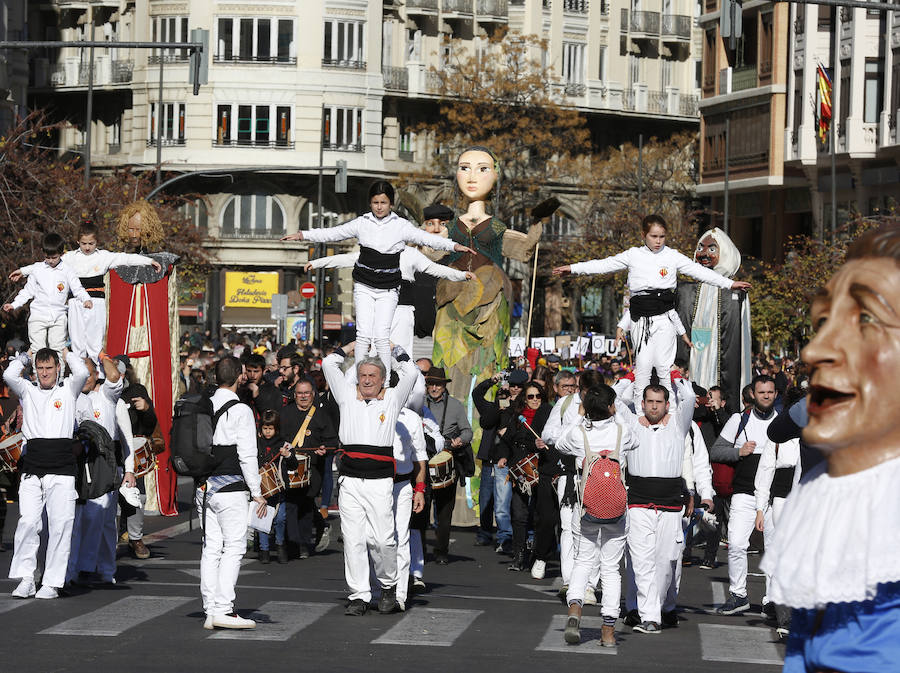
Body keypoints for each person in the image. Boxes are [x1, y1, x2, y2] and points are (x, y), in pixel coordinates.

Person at [762, 223, 900, 671]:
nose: (815, 349)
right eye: (823, 321)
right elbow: (803, 647)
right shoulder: (826, 492)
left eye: (865, 319)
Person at [283, 181, 472, 377]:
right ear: (370, 204)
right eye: (375, 203)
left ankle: (388, 379)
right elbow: (337, 238)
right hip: (367, 287)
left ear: (391, 205)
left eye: (384, 202)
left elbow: (430, 250)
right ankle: (361, 376)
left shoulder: (405, 239)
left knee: (388, 344)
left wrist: (455, 251)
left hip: (396, 299)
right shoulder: (363, 224)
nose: (379, 207)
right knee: (365, 338)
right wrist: (305, 239)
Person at [553, 215, 749, 402]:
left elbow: (699, 272)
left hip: (665, 317)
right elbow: (604, 265)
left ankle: (669, 410)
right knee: (643, 369)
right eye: (653, 236)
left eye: (662, 236)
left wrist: (730, 284)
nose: (658, 241)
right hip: (641, 319)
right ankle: (641, 412)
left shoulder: (672, 256)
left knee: (664, 370)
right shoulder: (633, 255)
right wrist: (572, 268)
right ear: (644, 235)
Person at [321, 341, 419, 616]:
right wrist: (351, 347)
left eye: (372, 376)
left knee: (384, 540)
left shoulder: (392, 398)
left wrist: (396, 348)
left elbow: (411, 373)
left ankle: (388, 586)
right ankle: (359, 595)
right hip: (350, 480)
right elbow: (329, 364)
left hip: (379, 482)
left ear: (382, 380)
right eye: (362, 375)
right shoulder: (345, 395)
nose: (366, 380)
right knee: (352, 540)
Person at [10, 220, 160, 363]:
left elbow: (126, 259)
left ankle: (99, 376)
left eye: (91, 243)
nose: (87, 247)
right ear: (77, 242)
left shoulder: (103, 257)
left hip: (96, 303)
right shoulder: (69, 257)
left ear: (97, 242)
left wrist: (149, 262)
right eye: (83, 243)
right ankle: (79, 378)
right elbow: (42, 266)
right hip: (76, 302)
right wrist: (22, 272)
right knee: (77, 343)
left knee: (95, 344)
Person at [614, 375, 697, 633]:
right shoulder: (632, 425)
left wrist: (675, 377)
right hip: (638, 503)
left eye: (658, 402)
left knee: (665, 561)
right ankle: (649, 616)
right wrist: (630, 377)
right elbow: (614, 399)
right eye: (649, 401)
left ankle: (659, 607)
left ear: (667, 404)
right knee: (641, 561)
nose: (653, 406)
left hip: (671, 505)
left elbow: (691, 398)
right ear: (642, 403)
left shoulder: (678, 426)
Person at [5, 348, 89, 599]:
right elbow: (9, 376)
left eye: (49, 368)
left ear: (58, 368)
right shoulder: (27, 390)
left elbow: (83, 371)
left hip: (62, 469)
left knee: (60, 525)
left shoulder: (68, 390)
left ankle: (52, 582)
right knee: (28, 522)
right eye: (40, 368)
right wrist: (23, 358)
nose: (44, 373)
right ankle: (27, 578)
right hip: (33, 467)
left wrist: (66, 352)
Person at [557, 384, 635, 647]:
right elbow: (635, 439)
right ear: (611, 406)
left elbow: (559, 442)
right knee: (611, 570)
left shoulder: (579, 433)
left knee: (583, 561)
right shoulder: (622, 432)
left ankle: (575, 610)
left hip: (587, 508)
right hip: (616, 509)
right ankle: (608, 631)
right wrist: (618, 414)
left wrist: (580, 415)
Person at [709, 374, 790, 616]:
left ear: (775, 394)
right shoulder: (739, 420)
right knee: (735, 544)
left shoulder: (784, 422)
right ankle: (738, 594)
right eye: (761, 392)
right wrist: (738, 451)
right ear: (752, 394)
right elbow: (716, 451)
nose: (766, 396)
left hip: (774, 497)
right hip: (744, 494)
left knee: (774, 549)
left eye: (770, 392)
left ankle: (772, 601)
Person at [305, 246, 471, 358]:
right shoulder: (372, 252)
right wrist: (317, 263)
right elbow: (346, 259)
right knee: (375, 356)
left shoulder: (410, 253)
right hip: (379, 310)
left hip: (402, 310)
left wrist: (462, 275)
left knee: (402, 355)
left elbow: (434, 269)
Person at [199, 356, 267, 630]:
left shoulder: (203, 405)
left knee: (211, 547)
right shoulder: (241, 410)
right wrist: (257, 491)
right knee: (235, 547)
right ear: (240, 376)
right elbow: (248, 454)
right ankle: (223, 608)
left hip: (205, 487)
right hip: (231, 487)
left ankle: (210, 607)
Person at [541, 370, 602, 599]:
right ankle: (568, 580)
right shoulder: (567, 403)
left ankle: (589, 585)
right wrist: (576, 424)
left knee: (593, 530)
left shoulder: (605, 404)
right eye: (585, 390)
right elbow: (548, 434)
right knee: (568, 528)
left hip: (597, 475)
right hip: (569, 474)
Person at [676, 227, 752, 410]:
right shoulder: (685, 290)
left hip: (720, 360)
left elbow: (740, 338)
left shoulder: (734, 294)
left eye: (712, 249)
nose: (703, 254)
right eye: (700, 248)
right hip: (693, 359)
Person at [68, 355, 126, 586]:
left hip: (102, 461)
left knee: (102, 519)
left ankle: (102, 568)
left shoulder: (106, 395)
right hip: (76, 461)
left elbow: (114, 376)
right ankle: (80, 567)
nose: (84, 378)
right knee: (79, 518)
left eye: (89, 373)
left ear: (96, 374)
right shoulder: (69, 395)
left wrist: (101, 355)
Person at [4, 233, 93, 357]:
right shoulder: (37, 269)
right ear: (43, 253)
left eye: (54, 257)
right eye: (47, 257)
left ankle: (59, 376)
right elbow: (27, 291)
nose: (50, 261)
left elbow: (78, 289)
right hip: (38, 314)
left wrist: (86, 299)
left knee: (58, 347)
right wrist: (14, 304)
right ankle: (38, 374)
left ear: (61, 254)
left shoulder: (67, 271)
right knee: (37, 348)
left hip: (59, 316)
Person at [280, 378, 337, 559]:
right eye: (299, 393)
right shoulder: (285, 413)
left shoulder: (321, 415)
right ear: (294, 395)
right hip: (289, 467)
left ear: (313, 394)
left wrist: (325, 450)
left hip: (313, 469)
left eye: (306, 393)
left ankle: (304, 543)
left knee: (305, 505)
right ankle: (293, 542)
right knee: (290, 505)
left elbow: (332, 442)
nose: (303, 396)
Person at [498, 382, 552, 572]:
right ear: (525, 399)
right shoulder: (516, 417)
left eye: (538, 396)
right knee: (518, 513)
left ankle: (538, 555)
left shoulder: (548, 415)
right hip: (519, 469)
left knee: (539, 514)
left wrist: (541, 444)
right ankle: (519, 554)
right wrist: (504, 456)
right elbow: (506, 440)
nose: (535, 400)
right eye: (531, 396)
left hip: (541, 467)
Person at [471, 368, 527, 554]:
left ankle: (511, 536)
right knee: (488, 499)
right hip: (492, 457)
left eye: (519, 386)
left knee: (511, 501)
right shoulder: (500, 403)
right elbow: (486, 419)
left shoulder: (523, 405)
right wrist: (493, 382)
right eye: (512, 386)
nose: (514, 389)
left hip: (513, 458)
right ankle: (488, 533)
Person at [423, 367, 473, 565]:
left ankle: (441, 550)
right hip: (423, 462)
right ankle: (417, 551)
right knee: (420, 510)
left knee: (444, 511)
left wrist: (460, 440)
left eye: (438, 384)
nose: (434, 387)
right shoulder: (417, 404)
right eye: (431, 383)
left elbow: (467, 431)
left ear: (444, 386)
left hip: (447, 460)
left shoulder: (455, 405)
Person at [256, 410, 294, 564]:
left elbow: (293, 464)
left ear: (276, 428)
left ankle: (280, 544)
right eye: (265, 428)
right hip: (261, 488)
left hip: (279, 488)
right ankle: (264, 549)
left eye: (270, 428)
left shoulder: (284, 444)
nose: (267, 431)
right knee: (262, 520)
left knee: (280, 518)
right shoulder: (256, 443)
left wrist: (288, 455)